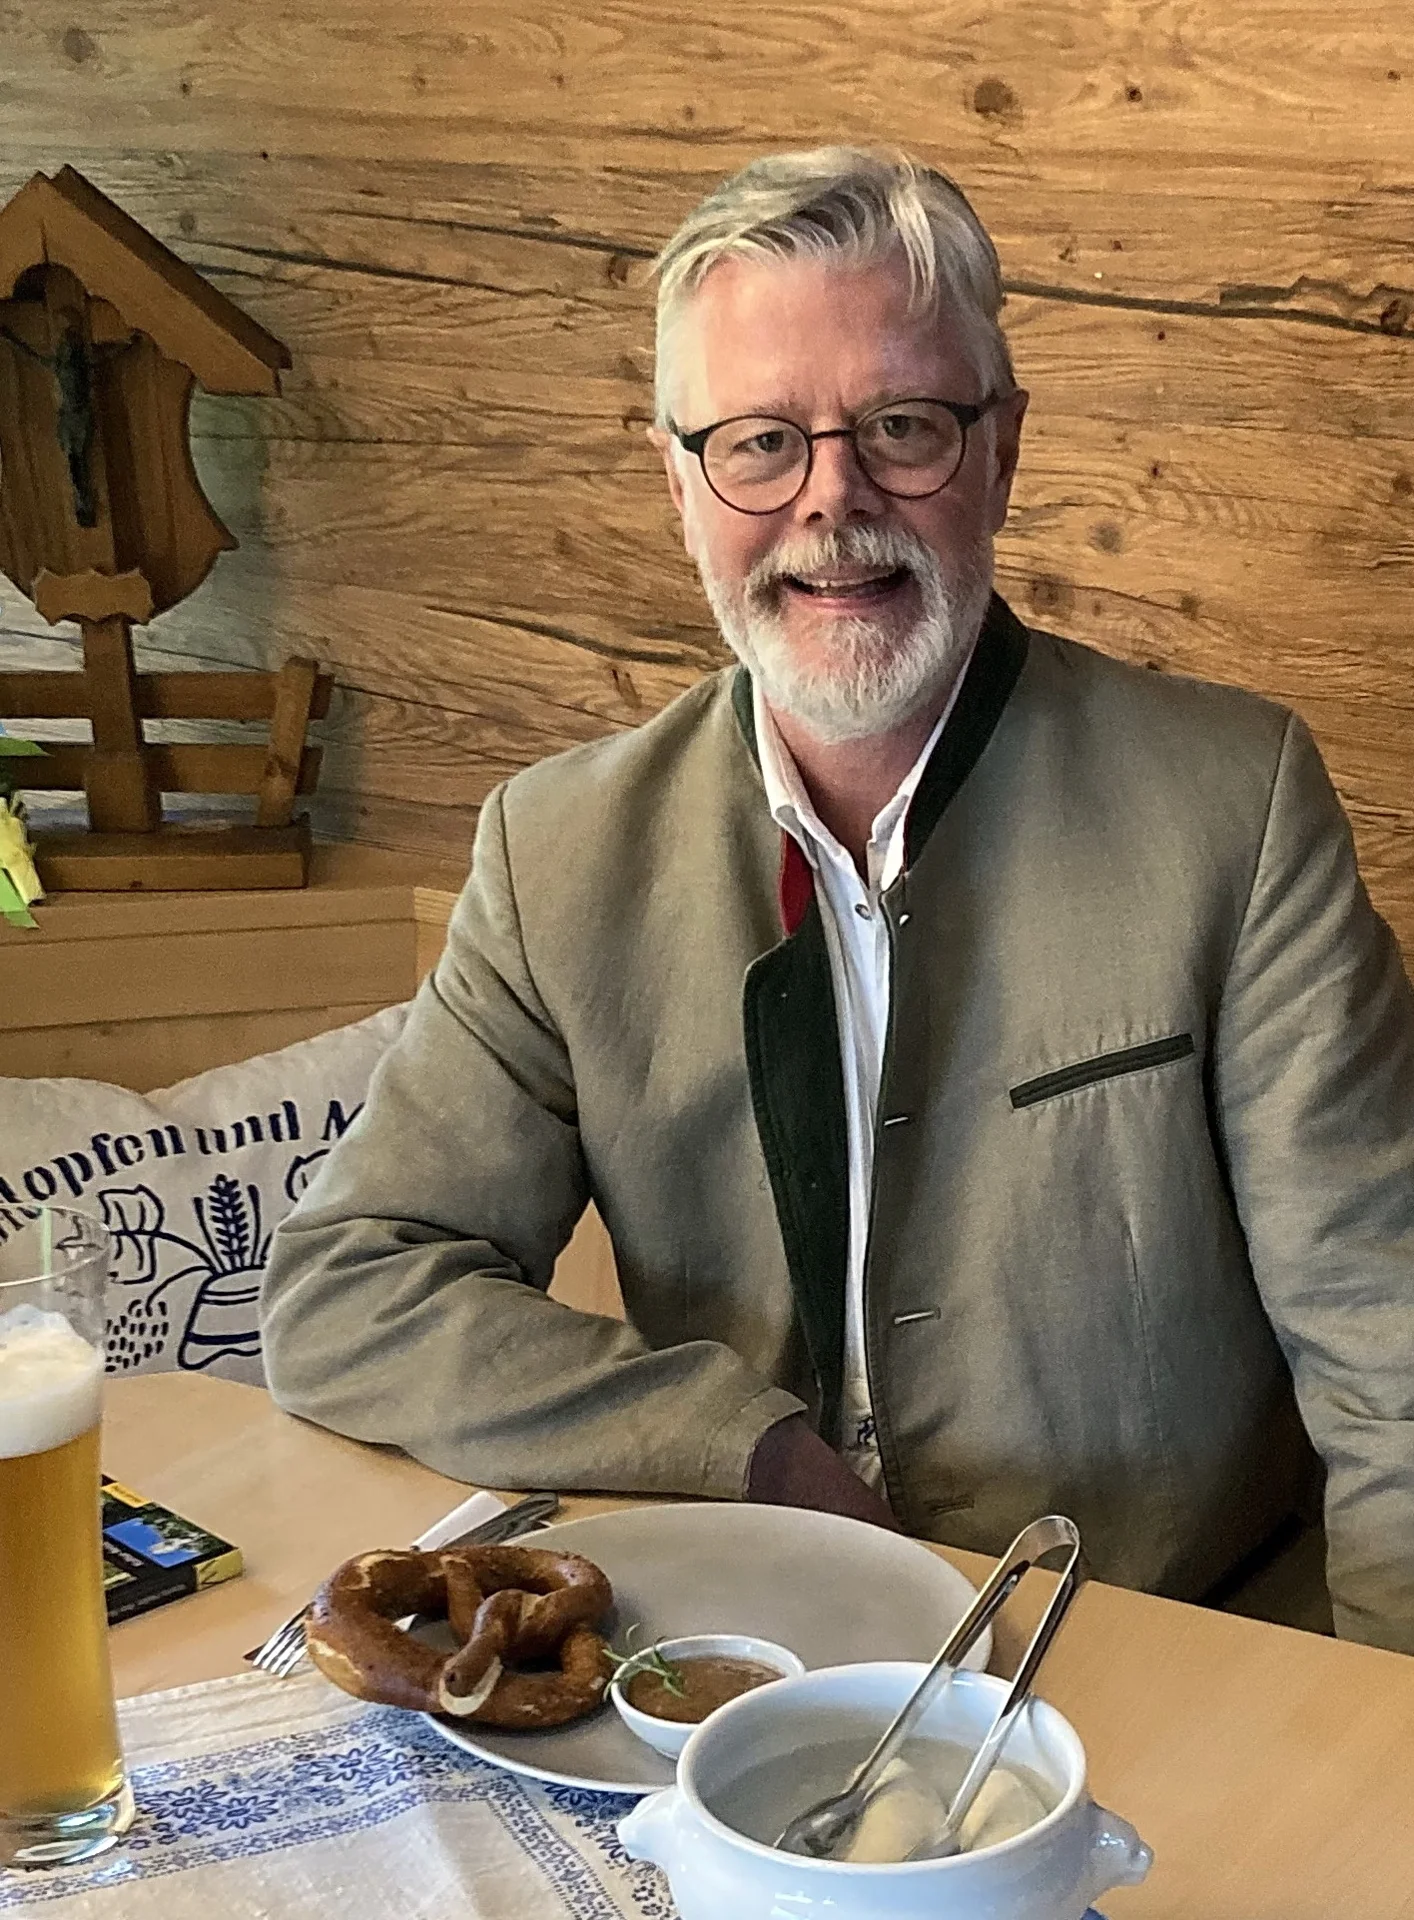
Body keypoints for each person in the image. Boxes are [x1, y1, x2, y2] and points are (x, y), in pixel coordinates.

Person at [261, 147, 1414, 1653]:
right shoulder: (556, 849)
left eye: (901, 428)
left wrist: (1375, 1726)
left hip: (1164, 1643)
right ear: (679, 486)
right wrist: (737, 1444)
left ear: (1001, 449)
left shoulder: (1234, 803)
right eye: (758, 443)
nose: (832, 500)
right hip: (746, 1660)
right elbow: (350, 1292)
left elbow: (1387, 1345)